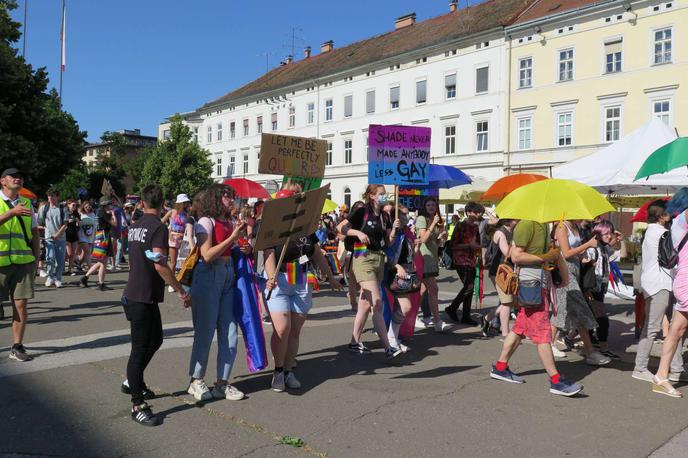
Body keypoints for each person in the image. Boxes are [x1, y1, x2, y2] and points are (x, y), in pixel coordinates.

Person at [119, 184, 191, 426]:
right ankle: (137, 404)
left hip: (140, 295)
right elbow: (160, 263)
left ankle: (133, 380)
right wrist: (180, 290)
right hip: (140, 296)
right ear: (163, 204)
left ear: (141, 203)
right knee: (139, 349)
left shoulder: (136, 226)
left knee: (156, 339)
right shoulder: (158, 227)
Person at [489, 219, 583, 396]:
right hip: (530, 285)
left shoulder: (543, 225)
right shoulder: (527, 225)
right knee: (542, 333)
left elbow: (552, 255)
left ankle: (500, 367)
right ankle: (556, 381)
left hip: (539, 284)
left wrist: (559, 269)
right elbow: (516, 256)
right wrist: (545, 257)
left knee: (519, 328)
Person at [264, 186, 341, 392]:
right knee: (282, 329)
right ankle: (278, 370)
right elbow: (268, 255)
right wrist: (271, 276)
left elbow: (316, 253)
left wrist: (331, 278)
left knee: (295, 331)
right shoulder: (272, 226)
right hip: (279, 279)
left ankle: (289, 370)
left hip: (299, 279)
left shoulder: (307, 227)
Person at [187, 183, 248, 402]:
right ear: (215, 199)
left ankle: (222, 383)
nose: (231, 200)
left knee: (230, 333)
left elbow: (233, 249)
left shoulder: (230, 221)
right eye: (227, 196)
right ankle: (196, 380)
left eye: (232, 197)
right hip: (209, 275)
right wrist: (233, 237)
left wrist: (243, 245)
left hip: (227, 275)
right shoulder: (205, 222)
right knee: (205, 331)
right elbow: (207, 255)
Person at [337, 185, 400, 357]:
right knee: (377, 302)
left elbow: (387, 242)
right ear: (372, 196)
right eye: (380, 194)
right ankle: (388, 347)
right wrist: (357, 232)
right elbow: (340, 228)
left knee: (365, 303)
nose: (384, 196)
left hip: (378, 259)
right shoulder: (362, 211)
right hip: (362, 257)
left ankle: (354, 341)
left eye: (384, 194)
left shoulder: (386, 215)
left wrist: (393, 229)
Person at [633, 201, 683, 382]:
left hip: (659, 284)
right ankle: (640, 367)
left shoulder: (652, 231)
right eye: (668, 213)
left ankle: (677, 368)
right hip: (660, 284)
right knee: (653, 328)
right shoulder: (662, 233)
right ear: (662, 216)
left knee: (673, 328)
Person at [551, 220, 611, 366]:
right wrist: (587, 245)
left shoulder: (574, 226)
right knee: (580, 308)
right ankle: (590, 352)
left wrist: (583, 257)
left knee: (565, 310)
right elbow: (565, 253)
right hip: (564, 270)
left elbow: (574, 251)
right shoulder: (561, 226)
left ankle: (549, 344)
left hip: (574, 270)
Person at [0, 168, 40, 362]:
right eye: (13, 176)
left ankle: (17, 346)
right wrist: (10, 213)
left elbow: (34, 234)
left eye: (20, 176)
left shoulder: (27, 204)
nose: (17, 178)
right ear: (2, 181)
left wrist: (37, 259)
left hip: (23, 262)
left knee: (21, 305)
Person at [653, 189, 688, 397]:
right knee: (677, 330)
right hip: (686, 280)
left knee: (677, 331)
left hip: (683, 279)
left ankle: (660, 375)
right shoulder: (683, 219)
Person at [583, 220, 624, 359]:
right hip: (592, 288)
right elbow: (583, 265)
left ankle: (577, 341)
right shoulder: (592, 249)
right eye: (606, 234)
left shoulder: (605, 249)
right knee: (601, 319)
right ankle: (602, 348)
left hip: (600, 288)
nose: (609, 236)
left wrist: (621, 240)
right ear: (598, 235)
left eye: (609, 233)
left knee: (591, 318)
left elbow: (622, 255)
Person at [386, 205, 419, 352]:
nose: (407, 216)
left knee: (401, 307)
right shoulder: (395, 233)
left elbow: (411, 253)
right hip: (394, 272)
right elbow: (387, 252)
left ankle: (394, 338)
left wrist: (416, 246)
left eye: (407, 214)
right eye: (404, 214)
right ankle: (391, 339)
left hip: (406, 271)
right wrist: (396, 265)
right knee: (405, 307)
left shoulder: (406, 232)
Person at [446, 201, 484, 325]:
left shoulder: (475, 227)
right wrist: (469, 246)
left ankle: (465, 315)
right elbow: (453, 245)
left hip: (471, 260)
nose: (479, 215)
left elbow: (477, 245)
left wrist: (479, 254)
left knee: (469, 287)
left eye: (480, 212)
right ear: (468, 212)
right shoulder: (460, 225)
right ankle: (452, 308)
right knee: (469, 286)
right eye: (476, 212)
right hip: (461, 259)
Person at [415, 197, 449, 332]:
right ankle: (437, 321)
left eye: (433, 205)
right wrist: (433, 224)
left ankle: (411, 315)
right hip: (424, 257)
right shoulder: (422, 219)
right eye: (428, 205)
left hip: (433, 257)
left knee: (422, 290)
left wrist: (443, 237)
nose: (430, 207)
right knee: (433, 289)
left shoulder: (438, 220)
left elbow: (438, 242)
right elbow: (423, 239)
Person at [482, 219, 518, 338]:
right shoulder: (500, 233)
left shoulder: (513, 231)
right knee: (507, 302)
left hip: (509, 271)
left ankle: (487, 318)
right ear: (508, 220)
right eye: (516, 218)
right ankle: (505, 333)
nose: (518, 220)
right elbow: (507, 253)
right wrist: (516, 246)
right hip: (499, 271)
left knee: (511, 301)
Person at [80, 197, 116, 291]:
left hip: (102, 237)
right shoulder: (102, 213)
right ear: (105, 205)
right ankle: (101, 284)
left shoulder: (101, 211)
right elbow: (115, 224)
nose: (111, 206)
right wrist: (113, 214)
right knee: (103, 262)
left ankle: (85, 278)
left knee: (101, 262)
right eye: (110, 204)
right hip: (103, 238)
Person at [38, 188, 69, 288]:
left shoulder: (62, 208)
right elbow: (40, 222)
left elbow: (65, 224)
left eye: (53, 196)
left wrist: (58, 234)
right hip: (49, 238)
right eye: (49, 196)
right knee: (50, 258)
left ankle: (58, 278)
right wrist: (46, 231)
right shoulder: (44, 208)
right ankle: (50, 277)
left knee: (60, 260)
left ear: (57, 197)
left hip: (61, 238)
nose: (50, 198)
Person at [162, 193, 191, 276]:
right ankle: (172, 281)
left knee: (183, 261)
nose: (186, 204)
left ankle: (181, 279)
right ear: (180, 203)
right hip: (173, 238)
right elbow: (161, 222)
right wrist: (168, 232)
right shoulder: (172, 211)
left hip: (183, 239)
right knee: (173, 262)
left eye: (186, 202)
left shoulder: (187, 214)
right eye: (184, 202)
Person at [78, 201, 97, 269]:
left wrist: (95, 235)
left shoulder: (93, 214)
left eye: (89, 206)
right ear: (83, 207)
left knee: (84, 253)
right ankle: (90, 268)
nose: (87, 208)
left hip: (91, 236)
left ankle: (78, 264)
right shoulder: (80, 214)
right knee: (87, 251)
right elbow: (78, 224)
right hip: (82, 235)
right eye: (86, 207)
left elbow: (95, 225)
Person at [64, 200, 81, 275]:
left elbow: (80, 225)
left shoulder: (76, 213)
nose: (74, 207)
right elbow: (62, 223)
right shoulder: (65, 213)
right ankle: (62, 267)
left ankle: (69, 269)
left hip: (74, 234)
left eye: (75, 205)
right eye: (73, 205)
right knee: (69, 253)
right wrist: (68, 221)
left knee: (73, 253)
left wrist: (78, 221)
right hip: (67, 234)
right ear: (68, 205)